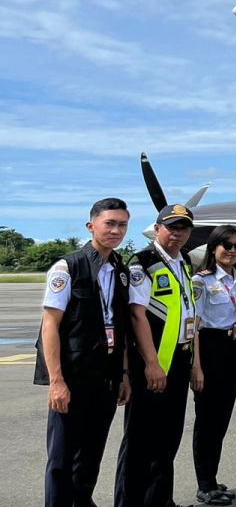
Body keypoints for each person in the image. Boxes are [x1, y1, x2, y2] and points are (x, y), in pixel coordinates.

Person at [37, 197, 131, 507]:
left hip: (104, 378)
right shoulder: (67, 267)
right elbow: (50, 326)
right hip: (73, 377)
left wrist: (123, 375)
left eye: (122, 225)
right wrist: (56, 382)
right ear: (91, 226)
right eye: (110, 223)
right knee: (63, 458)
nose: (116, 230)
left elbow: (121, 326)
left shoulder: (120, 269)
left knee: (91, 453)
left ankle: (81, 501)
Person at [116, 204, 198, 507]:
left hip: (178, 362)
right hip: (151, 366)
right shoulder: (143, 263)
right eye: (171, 227)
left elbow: (189, 314)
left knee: (168, 440)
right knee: (139, 441)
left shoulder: (184, 261)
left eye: (184, 228)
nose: (177, 233)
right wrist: (152, 364)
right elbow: (137, 316)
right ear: (158, 227)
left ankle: (161, 500)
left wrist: (195, 365)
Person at [190, 225, 236, 505]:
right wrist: (197, 367)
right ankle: (205, 484)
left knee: (222, 420)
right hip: (211, 350)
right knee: (207, 422)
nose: (233, 250)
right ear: (213, 248)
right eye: (226, 245)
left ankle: (212, 478)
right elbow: (196, 328)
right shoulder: (201, 282)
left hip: (234, 350)